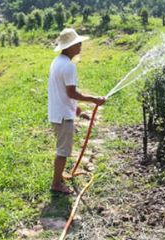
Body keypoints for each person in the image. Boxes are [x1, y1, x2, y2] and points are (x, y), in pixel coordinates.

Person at [48, 28, 106, 194]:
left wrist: (76, 108)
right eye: (77, 43)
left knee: (62, 149)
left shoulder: (57, 61)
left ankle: (59, 177)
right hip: (62, 116)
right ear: (68, 47)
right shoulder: (68, 66)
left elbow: (61, 91)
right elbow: (72, 93)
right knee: (63, 152)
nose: (80, 45)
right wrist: (95, 100)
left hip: (57, 112)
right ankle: (56, 184)